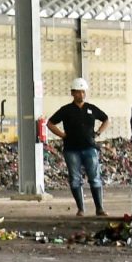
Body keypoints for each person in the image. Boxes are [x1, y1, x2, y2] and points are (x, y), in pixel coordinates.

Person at [47, 78, 109, 214]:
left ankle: (99, 208)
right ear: (72, 93)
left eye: (83, 92)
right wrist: (62, 135)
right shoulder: (66, 110)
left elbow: (106, 119)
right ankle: (81, 209)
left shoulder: (91, 109)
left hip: (90, 148)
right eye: (78, 92)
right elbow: (50, 123)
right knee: (75, 179)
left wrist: (98, 133)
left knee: (95, 178)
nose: (81, 95)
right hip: (71, 149)